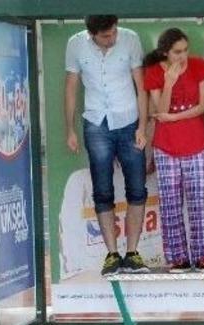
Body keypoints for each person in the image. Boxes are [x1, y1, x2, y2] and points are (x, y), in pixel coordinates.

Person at [64, 15, 150, 276]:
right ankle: (112, 254)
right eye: (105, 36)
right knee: (102, 189)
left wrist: (142, 127)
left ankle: (133, 253)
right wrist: (69, 129)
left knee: (137, 187)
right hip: (96, 122)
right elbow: (70, 87)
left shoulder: (131, 38)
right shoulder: (75, 44)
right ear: (91, 34)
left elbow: (141, 86)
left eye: (113, 33)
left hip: (128, 120)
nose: (111, 39)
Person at [143, 28, 204, 273]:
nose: (182, 56)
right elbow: (159, 109)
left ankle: (202, 255)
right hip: (166, 146)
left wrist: (173, 117)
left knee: (197, 201)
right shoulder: (154, 72)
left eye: (185, 50)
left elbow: (202, 106)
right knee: (170, 204)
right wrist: (169, 82)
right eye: (177, 52)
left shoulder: (198, 66)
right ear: (165, 52)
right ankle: (177, 257)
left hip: (196, 143)